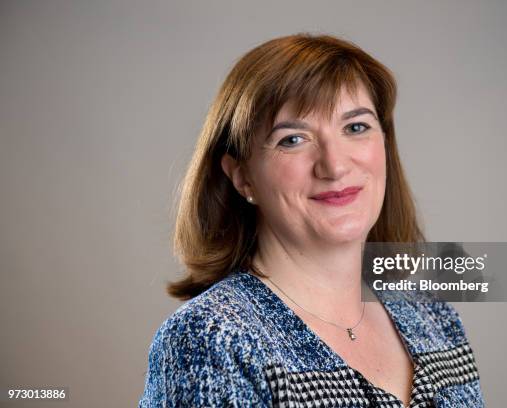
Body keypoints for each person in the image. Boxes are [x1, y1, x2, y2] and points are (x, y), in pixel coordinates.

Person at [138, 33, 484, 407]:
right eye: (292, 139)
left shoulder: (433, 317)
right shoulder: (210, 340)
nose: (334, 165)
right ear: (242, 177)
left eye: (355, 127)